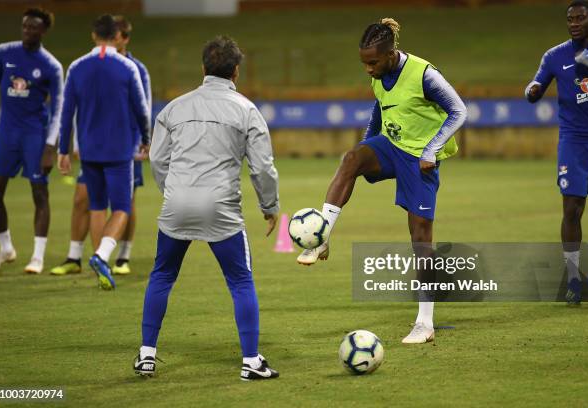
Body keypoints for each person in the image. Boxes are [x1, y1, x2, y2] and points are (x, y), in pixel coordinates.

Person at [297, 18, 467, 344]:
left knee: (421, 239)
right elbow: (380, 107)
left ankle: (425, 323)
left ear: (392, 54)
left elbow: (458, 111)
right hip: (391, 147)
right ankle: (321, 237)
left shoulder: (424, 75)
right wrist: (365, 147)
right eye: (364, 62)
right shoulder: (379, 73)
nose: (368, 69)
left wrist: (432, 149)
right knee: (350, 160)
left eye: (373, 62)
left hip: (420, 160)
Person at [134, 36, 280, 381]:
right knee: (240, 280)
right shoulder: (246, 110)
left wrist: (173, 191)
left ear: (203, 69)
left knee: (162, 275)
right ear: (236, 72)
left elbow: (156, 158)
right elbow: (262, 167)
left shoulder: (174, 108)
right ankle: (251, 362)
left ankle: (146, 355)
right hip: (221, 209)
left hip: (177, 204)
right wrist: (270, 206)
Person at [50, 15, 151, 277]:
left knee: (96, 206)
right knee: (121, 207)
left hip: (89, 150)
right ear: (116, 36)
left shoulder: (76, 67)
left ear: (94, 35)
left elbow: (66, 112)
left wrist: (63, 150)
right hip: (119, 150)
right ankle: (101, 256)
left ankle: (99, 268)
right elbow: (142, 109)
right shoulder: (127, 68)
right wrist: (147, 139)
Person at [526, 0, 588, 304]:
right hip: (574, 141)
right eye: (570, 19)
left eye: (580, 18)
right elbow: (537, 82)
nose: (574, 23)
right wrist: (532, 90)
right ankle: (572, 278)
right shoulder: (555, 55)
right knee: (572, 207)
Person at [0, 7, 63, 275]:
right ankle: (6, 247)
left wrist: (50, 147)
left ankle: (37, 257)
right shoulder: (3, 52)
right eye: (24, 26)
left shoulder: (51, 66)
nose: (27, 31)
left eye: (33, 28)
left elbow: (59, 108)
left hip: (34, 135)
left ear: (43, 31)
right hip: (6, 133)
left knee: (39, 192)